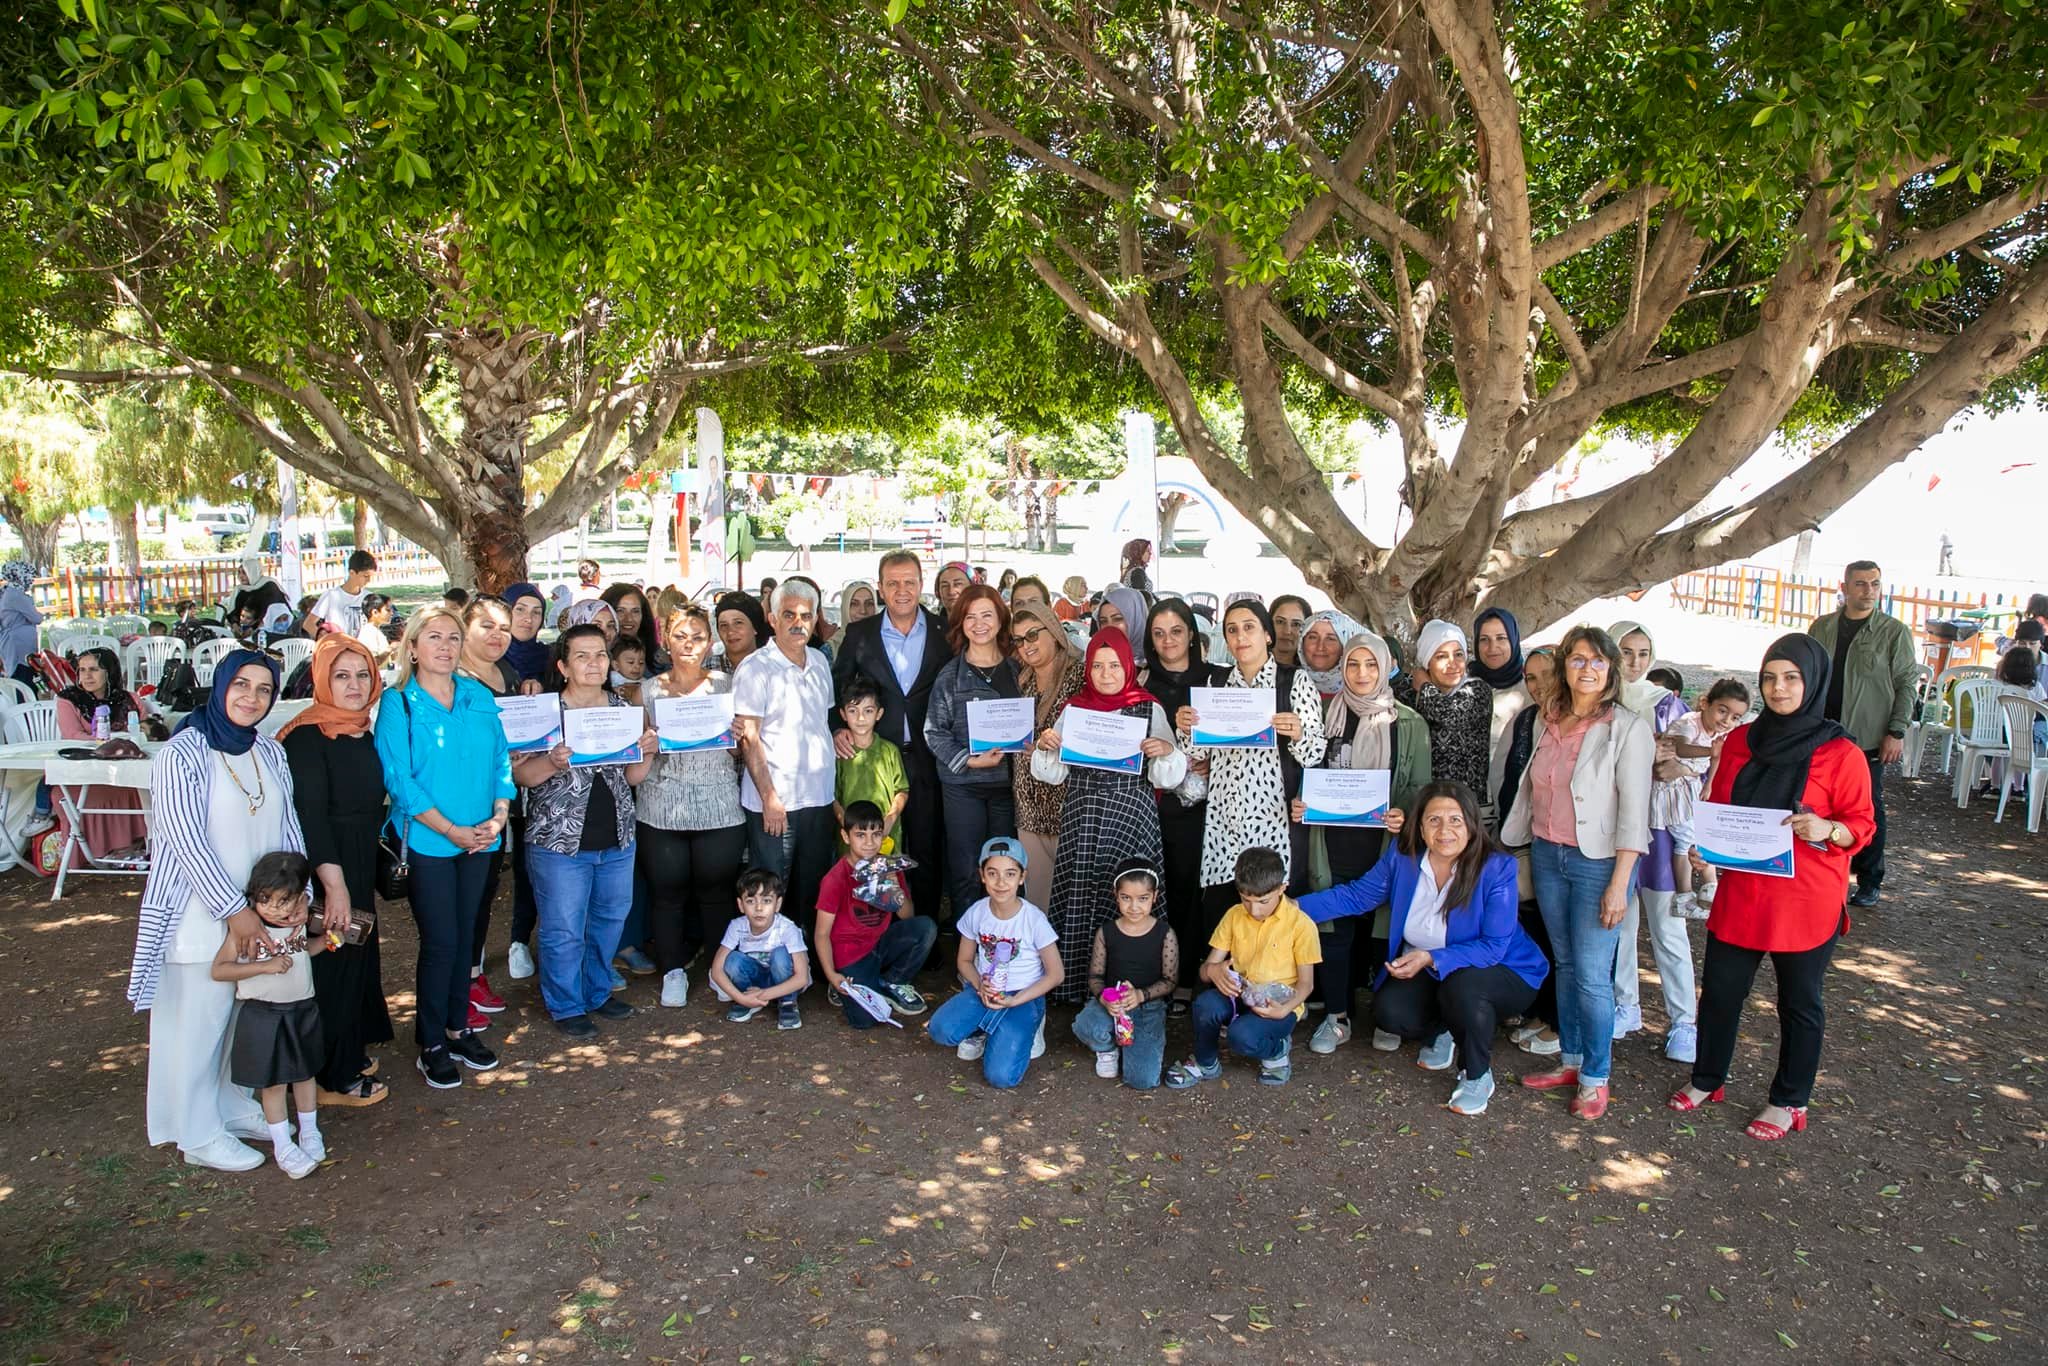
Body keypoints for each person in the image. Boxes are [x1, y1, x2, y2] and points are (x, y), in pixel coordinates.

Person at [1669, 635, 1873, 1140]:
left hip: (1805, 897)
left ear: (1813, 681)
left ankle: (1789, 1099)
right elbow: (1721, 807)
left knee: (1799, 1002)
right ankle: (1707, 1077)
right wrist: (1706, 850)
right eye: (1770, 678)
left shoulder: (1841, 753)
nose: (1778, 688)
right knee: (1719, 992)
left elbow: (1862, 826)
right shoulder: (1740, 741)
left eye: (1791, 678)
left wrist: (1827, 829)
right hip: (1744, 891)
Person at [127, 651, 297, 1171]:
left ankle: (225, 1104)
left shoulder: (268, 751)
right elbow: (183, 839)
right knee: (197, 1025)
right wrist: (233, 912)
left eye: (264, 689)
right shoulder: (183, 753)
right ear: (219, 686)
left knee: (234, 1017)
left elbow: (288, 824)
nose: (251, 697)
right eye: (241, 684)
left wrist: (296, 892)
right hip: (198, 914)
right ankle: (196, 1133)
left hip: (256, 911)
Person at [1299, 781, 1547, 1112]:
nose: (1445, 830)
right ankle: (1444, 1027)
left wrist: (1431, 957)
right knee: (1391, 1013)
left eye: (1455, 820)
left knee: (1464, 987)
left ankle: (1476, 1074)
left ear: (1472, 824)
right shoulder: (1403, 857)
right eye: (1434, 820)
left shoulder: (1496, 868)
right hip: (1433, 969)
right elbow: (1356, 896)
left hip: (1505, 970)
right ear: (1420, 826)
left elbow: (1494, 947)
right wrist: (1288, 909)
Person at [1501, 625, 1653, 1122]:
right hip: (1548, 853)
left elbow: (1635, 812)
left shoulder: (1627, 728)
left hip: (1599, 863)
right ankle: (1570, 1060)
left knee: (1592, 976)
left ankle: (1596, 1077)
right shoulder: (1550, 718)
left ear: (1611, 669)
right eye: (1578, 659)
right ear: (1565, 666)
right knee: (1564, 964)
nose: (1587, 668)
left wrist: (1619, 884)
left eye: (1597, 660)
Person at [373, 604, 512, 1090]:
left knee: (466, 940)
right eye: (435, 637)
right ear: (412, 646)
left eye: (453, 638)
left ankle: (459, 1028)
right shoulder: (399, 704)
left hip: (481, 839)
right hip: (432, 842)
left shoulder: (477, 695)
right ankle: (430, 1040)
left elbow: (501, 760)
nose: (446, 646)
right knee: (441, 942)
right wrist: (451, 829)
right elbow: (400, 781)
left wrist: (497, 816)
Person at [1292, 629, 1432, 1054]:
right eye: (1353, 663)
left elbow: (1420, 785)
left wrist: (1405, 813)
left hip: (1385, 846)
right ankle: (1336, 1017)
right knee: (1334, 931)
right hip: (1330, 841)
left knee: (1381, 931)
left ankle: (1384, 1014)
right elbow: (1306, 764)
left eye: (1371, 663)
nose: (1361, 672)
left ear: (1387, 666)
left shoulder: (1407, 721)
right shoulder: (1325, 712)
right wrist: (1301, 801)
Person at [515, 622, 657, 1039]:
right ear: (563, 665)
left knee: (609, 919)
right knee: (562, 927)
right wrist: (553, 762)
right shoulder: (543, 712)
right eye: (582, 656)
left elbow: (631, 777)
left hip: (616, 837)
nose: (593, 663)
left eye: (599, 655)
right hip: (558, 840)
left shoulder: (621, 710)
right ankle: (565, 1004)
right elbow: (522, 776)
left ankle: (596, 991)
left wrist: (647, 753)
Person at [1030, 627, 1186, 1001]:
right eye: (1097, 666)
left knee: (1131, 895)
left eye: (1114, 665)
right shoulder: (1076, 709)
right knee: (1084, 891)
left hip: (1131, 816)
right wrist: (1048, 746)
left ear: (1128, 666)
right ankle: (1080, 989)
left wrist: (1165, 750)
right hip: (1084, 813)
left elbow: (1171, 773)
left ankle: (1137, 991)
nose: (1105, 674)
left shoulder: (1148, 707)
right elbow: (1051, 773)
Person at [277, 636, 393, 1108]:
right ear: (323, 679)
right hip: (331, 867)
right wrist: (335, 887)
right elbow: (312, 818)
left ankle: (349, 1049)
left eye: (362, 674)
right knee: (337, 958)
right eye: (341, 676)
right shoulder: (307, 736)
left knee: (355, 956)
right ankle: (332, 1077)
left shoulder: (363, 729)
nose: (353, 685)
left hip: (359, 860)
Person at [1175, 599, 1327, 945]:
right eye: (1232, 629)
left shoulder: (1293, 681)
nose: (1240, 636)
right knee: (1224, 916)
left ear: (1267, 636)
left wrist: (1299, 733)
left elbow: (1315, 754)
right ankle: (1223, 990)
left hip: (1272, 821)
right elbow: (1197, 751)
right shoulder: (1217, 681)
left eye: (1249, 627)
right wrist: (1185, 726)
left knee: (1269, 916)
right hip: (1224, 823)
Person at [632, 604, 749, 1008]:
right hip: (661, 806)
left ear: (709, 641)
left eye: (697, 636)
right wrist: (644, 742)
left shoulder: (726, 685)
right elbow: (636, 752)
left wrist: (737, 737)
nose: (689, 644)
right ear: (666, 639)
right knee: (667, 894)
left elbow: (738, 754)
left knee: (716, 894)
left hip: (718, 805)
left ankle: (719, 971)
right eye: (681, 635)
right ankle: (673, 971)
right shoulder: (648, 690)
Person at [832, 550, 954, 922]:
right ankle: (872, 930)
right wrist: (837, 726)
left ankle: (925, 931)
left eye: (910, 582)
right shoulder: (859, 633)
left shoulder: (942, 632)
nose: (902, 590)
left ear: (921, 585)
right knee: (874, 846)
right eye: (893, 583)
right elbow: (837, 688)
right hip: (872, 760)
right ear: (881, 587)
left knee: (926, 846)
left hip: (928, 756)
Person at [1603, 618, 1696, 1049]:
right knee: (1619, 922)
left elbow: (1691, 761)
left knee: (1667, 925)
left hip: (1656, 830)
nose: (1635, 662)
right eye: (1626, 652)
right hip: (1610, 824)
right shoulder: (1600, 698)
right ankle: (1627, 1004)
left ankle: (1684, 1021)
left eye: (1643, 653)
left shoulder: (1666, 704)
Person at [212, 851, 331, 1179]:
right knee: (274, 1082)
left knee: (305, 1074)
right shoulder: (246, 932)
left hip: (302, 1007)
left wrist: (326, 942)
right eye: (269, 902)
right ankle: (282, 1143)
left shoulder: (298, 926)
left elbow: (304, 951)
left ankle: (310, 1131)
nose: (280, 911)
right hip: (264, 1014)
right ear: (255, 897)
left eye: (289, 903)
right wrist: (264, 965)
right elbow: (220, 970)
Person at [1806, 561, 1916, 908]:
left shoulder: (1893, 632)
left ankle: (1870, 879)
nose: (1868, 590)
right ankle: (1819, 873)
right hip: (1820, 734)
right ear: (1845, 586)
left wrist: (1896, 731)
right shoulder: (1821, 627)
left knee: (1869, 809)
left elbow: (1906, 684)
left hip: (1866, 737)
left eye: (1875, 584)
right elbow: (1805, 675)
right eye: (1861, 584)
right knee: (1814, 801)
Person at [1166, 846, 1321, 1089]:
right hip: (1241, 993)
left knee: (1242, 1037)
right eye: (1246, 900)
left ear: (1282, 888)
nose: (1254, 910)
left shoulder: (1301, 925)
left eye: (1263, 901)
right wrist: (1214, 971)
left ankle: (1276, 1051)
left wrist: (1284, 1010)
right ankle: (1206, 1063)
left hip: (1279, 1004)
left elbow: (1306, 984)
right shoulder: (1234, 915)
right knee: (1205, 1005)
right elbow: (1207, 969)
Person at [733, 580, 838, 937]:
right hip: (775, 801)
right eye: (789, 614)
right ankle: (768, 968)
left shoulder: (821, 661)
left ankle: (802, 964)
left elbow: (820, 722)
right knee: (769, 889)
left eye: (806, 615)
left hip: (818, 797)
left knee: (812, 888)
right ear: (772, 618)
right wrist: (769, 797)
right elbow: (749, 738)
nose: (798, 622)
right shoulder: (755, 668)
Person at [924, 837, 1062, 1089]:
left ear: (1022, 877)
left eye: (1010, 874)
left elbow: (1055, 974)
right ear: (982, 875)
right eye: (993, 873)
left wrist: (1014, 1000)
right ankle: (988, 1025)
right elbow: (964, 961)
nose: (1001, 882)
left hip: (1023, 996)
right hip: (985, 990)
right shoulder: (977, 912)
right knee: (939, 1030)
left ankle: (1020, 1024)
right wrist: (980, 986)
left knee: (1001, 1077)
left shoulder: (1034, 919)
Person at [925, 584, 1023, 918]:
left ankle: (1006, 944)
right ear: (960, 623)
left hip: (1008, 788)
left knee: (1005, 869)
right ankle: (970, 948)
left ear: (1000, 620)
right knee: (966, 870)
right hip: (963, 787)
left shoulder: (1019, 671)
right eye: (970, 616)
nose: (979, 624)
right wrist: (969, 760)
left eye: (987, 615)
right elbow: (934, 733)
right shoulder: (950, 676)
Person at [1140, 599, 1217, 1004]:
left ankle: (1185, 978)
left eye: (1176, 631)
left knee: (1190, 892)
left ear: (1191, 633)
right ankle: (1152, 977)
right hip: (1151, 805)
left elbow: (1241, 736)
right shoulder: (1139, 685)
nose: (1168, 640)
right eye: (1158, 632)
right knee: (1153, 890)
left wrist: (1211, 759)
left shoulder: (1219, 680)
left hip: (1204, 808)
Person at [814, 800, 936, 1027]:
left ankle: (892, 981)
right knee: (865, 1021)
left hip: (879, 944)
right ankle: (844, 985)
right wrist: (831, 973)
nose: (870, 843)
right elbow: (822, 933)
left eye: (876, 834)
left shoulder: (886, 866)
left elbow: (908, 917)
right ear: (846, 836)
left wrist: (894, 889)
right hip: (851, 955)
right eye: (861, 835)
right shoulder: (836, 878)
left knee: (926, 927)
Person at [1070, 860, 1179, 1089]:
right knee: (1084, 1025)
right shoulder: (1107, 932)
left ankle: (1143, 1042)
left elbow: (1170, 980)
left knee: (1143, 1080)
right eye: (1126, 898)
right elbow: (1095, 977)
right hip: (1113, 1004)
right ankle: (1107, 1049)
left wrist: (1141, 995)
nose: (1134, 907)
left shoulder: (1165, 933)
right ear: (1116, 895)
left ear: (1154, 896)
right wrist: (1104, 999)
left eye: (1142, 899)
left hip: (1147, 1007)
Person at [1009, 601, 1085, 910]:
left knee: (1072, 902)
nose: (1025, 645)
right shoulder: (1022, 681)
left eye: (1032, 635)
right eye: (1018, 639)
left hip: (1068, 809)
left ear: (1053, 632)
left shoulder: (1080, 677)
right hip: (1029, 809)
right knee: (1038, 900)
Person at [1655, 680, 1752, 918]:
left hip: (1691, 787)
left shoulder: (1720, 734)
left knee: (1701, 834)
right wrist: (1711, 751)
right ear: (1705, 703)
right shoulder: (1689, 723)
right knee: (1685, 838)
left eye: (1735, 717)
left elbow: (1716, 762)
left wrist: (1708, 785)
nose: (1727, 721)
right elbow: (1681, 749)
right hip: (1670, 788)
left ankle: (1709, 888)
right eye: (1722, 710)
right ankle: (1684, 895)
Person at [52, 647, 152, 862]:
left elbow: (143, 733)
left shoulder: (129, 700)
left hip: (128, 772)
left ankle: (137, 847)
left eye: (94, 669)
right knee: (63, 795)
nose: (86, 676)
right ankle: (92, 854)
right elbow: (72, 735)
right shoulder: (68, 700)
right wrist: (114, 742)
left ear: (109, 672)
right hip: (84, 771)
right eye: (82, 670)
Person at [1394, 620, 1495, 802]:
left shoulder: (1478, 691)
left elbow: (1448, 715)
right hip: (1421, 803)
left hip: (1464, 807)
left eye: (1458, 655)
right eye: (1441, 656)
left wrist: (1424, 685)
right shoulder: (1408, 693)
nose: (1453, 664)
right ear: (1427, 663)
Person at [709, 869, 812, 1028]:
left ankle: (787, 1002)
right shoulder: (737, 926)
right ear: (740, 905)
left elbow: (802, 978)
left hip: (786, 981)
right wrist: (740, 997)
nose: (758, 908)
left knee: (779, 954)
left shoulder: (787, 928)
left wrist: (763, 994)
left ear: (777, 904)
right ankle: (748, 1001)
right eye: (750, 901)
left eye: (766, 901)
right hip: (756, 982)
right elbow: (716, 970)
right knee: (732, 959)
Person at [833, 675, 909, 846]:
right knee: (851, 872)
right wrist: (848, 825)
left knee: (886, 872)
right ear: (843, 714)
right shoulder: (839, 754)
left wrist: (889, 820)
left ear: (879, 714)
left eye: (868, 711)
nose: (860, 718)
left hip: (885, 837)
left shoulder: (889, 751)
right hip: (850, 840)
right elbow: (831, 796)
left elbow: (902, 790)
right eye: (853, 711)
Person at [1471, 608, 1528, 825]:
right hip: (1471, 809)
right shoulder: (1464, 685)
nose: (1492, 648)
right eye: (1484, 639)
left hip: (1516, 809)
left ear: (1514, 640)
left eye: (1501, 638)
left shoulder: (1531, 689)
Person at [302, 551, 377, 639]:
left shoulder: (369, 597)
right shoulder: (331, 596)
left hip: (362, 648)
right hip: (338, 648)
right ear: (352, 573)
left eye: (371, 576)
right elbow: (308, 624)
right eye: (366, 576)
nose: (369, 580)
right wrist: (327, 640)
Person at [1295, 610, 1363, 699]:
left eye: (1330, 639)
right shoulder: (1285, 684)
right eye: (1313, 637)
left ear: (1345, 645)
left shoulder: (1363, 687)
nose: (1320, 647)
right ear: (1301, 643)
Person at [601, 582, 664, 672]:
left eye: (635, 611)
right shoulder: (594, 654)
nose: (629, 619)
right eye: (620, 611)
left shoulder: (657, 657)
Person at [500, 582, 554, 686]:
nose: (528, 619)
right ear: (505, 612)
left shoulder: (550, 659)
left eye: (536, 612)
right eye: (520, 609)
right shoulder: (489, 658)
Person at [712, 590, 768, 674]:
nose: (730, 632)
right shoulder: (707, 668)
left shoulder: (771, 667)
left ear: (755, 628)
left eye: (738, 623)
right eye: (724, 625)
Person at [1093, 585, 1149, 665]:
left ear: (1135, 619)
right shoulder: (1096, 659)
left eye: (1117, 619)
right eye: (1103, 621)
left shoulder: (1159, 666)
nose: (1109, 627)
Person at [1268, 594, 1311, 668]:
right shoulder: (1248, 666)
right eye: (1280, 622)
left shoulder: (1314, 674)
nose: (1287, 631)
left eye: (1296, 624)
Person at [610, 637, 649, 703]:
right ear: (616, 665)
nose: (637, 666)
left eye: (641, 663)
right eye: (631, 662)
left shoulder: (645, 682)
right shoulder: (611, 679)